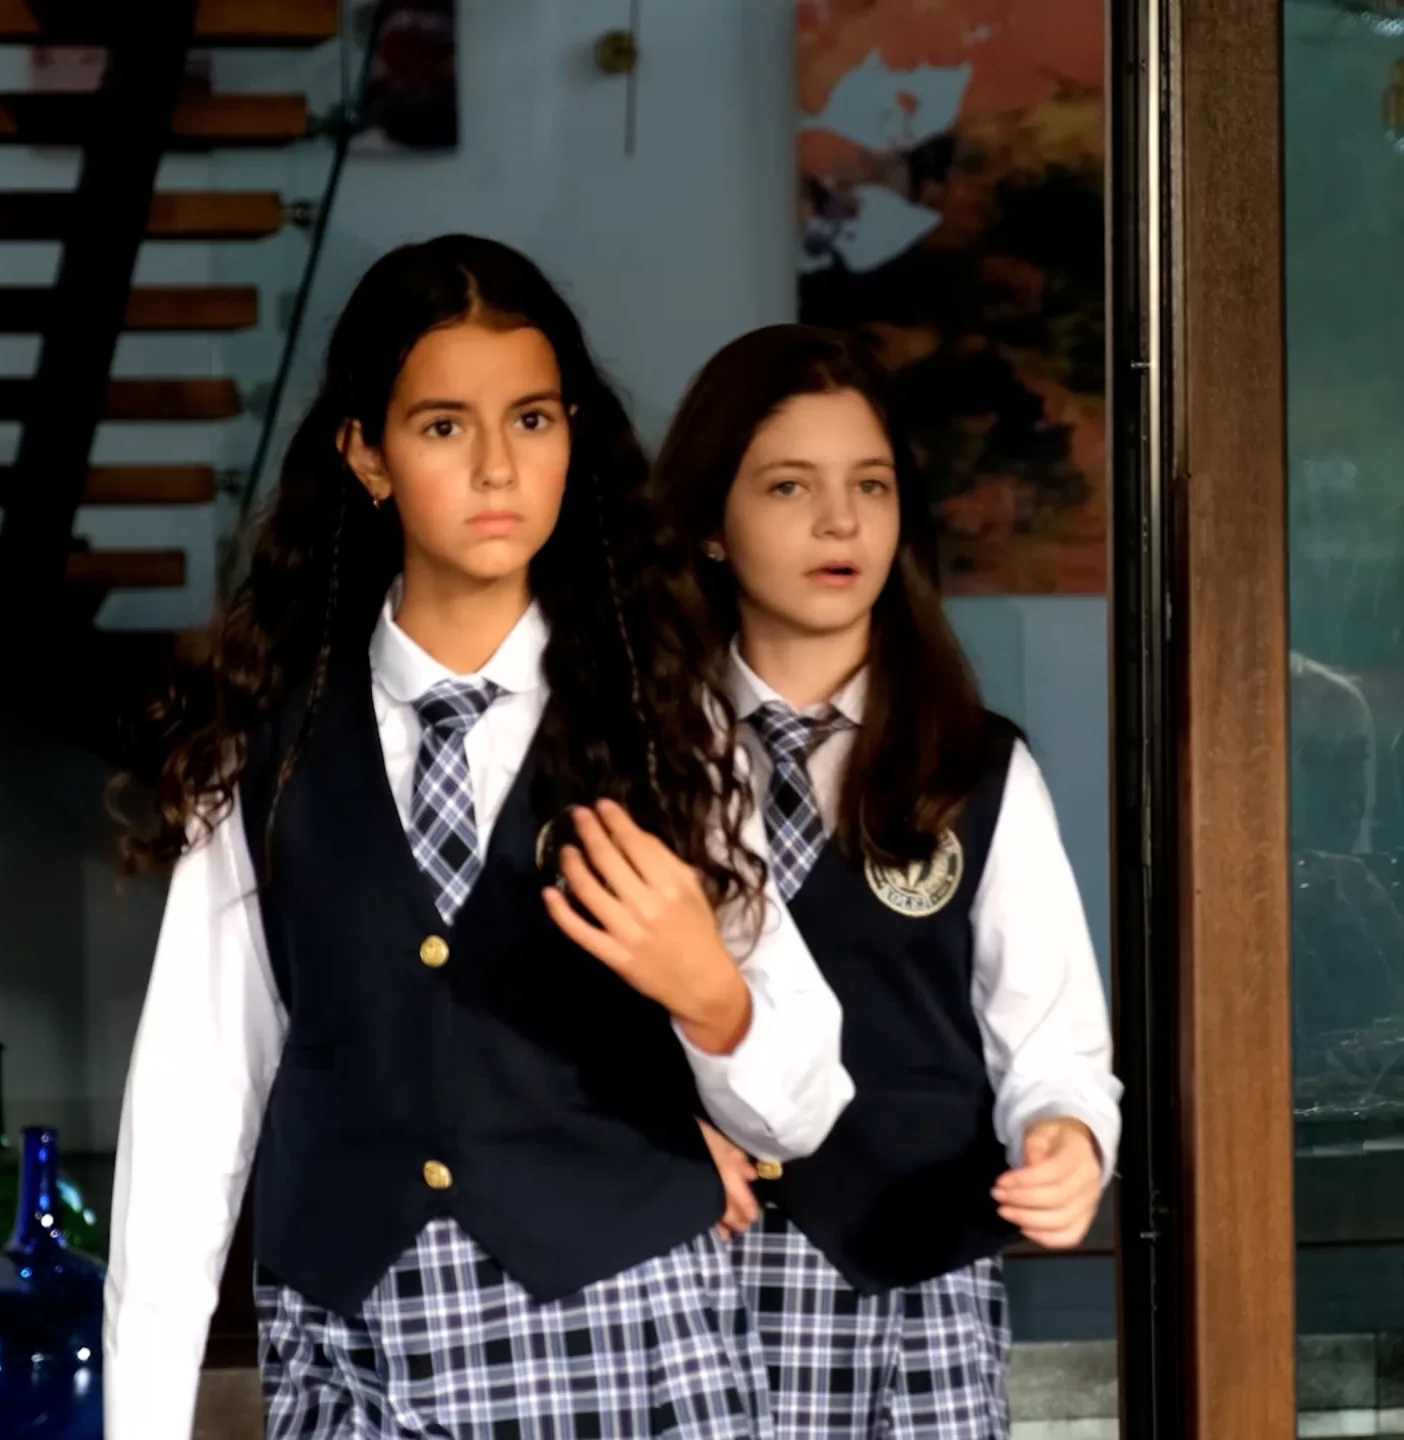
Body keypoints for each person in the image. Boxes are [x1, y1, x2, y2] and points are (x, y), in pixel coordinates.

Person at [103, 240, 854, 1440]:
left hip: (630, 1341)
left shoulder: (666, 719)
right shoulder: (267, 740)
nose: (499, 467)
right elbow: (194, 1098)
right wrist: (140, 1421)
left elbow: (798, 1113)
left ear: (571, 438)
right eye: (445, 426)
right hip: (350, 1345)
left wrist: (713, 999)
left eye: (533, 420)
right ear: (366, 453)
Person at [650, 323, 1122, 1439]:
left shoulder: (978, 767)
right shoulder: (638, 758)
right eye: (789, 487)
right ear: (710, 523)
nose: (841, 521)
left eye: (870, 484)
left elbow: (1051, 1042)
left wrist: (1067, 1138)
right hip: (673, 1283)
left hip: (915, 1288)